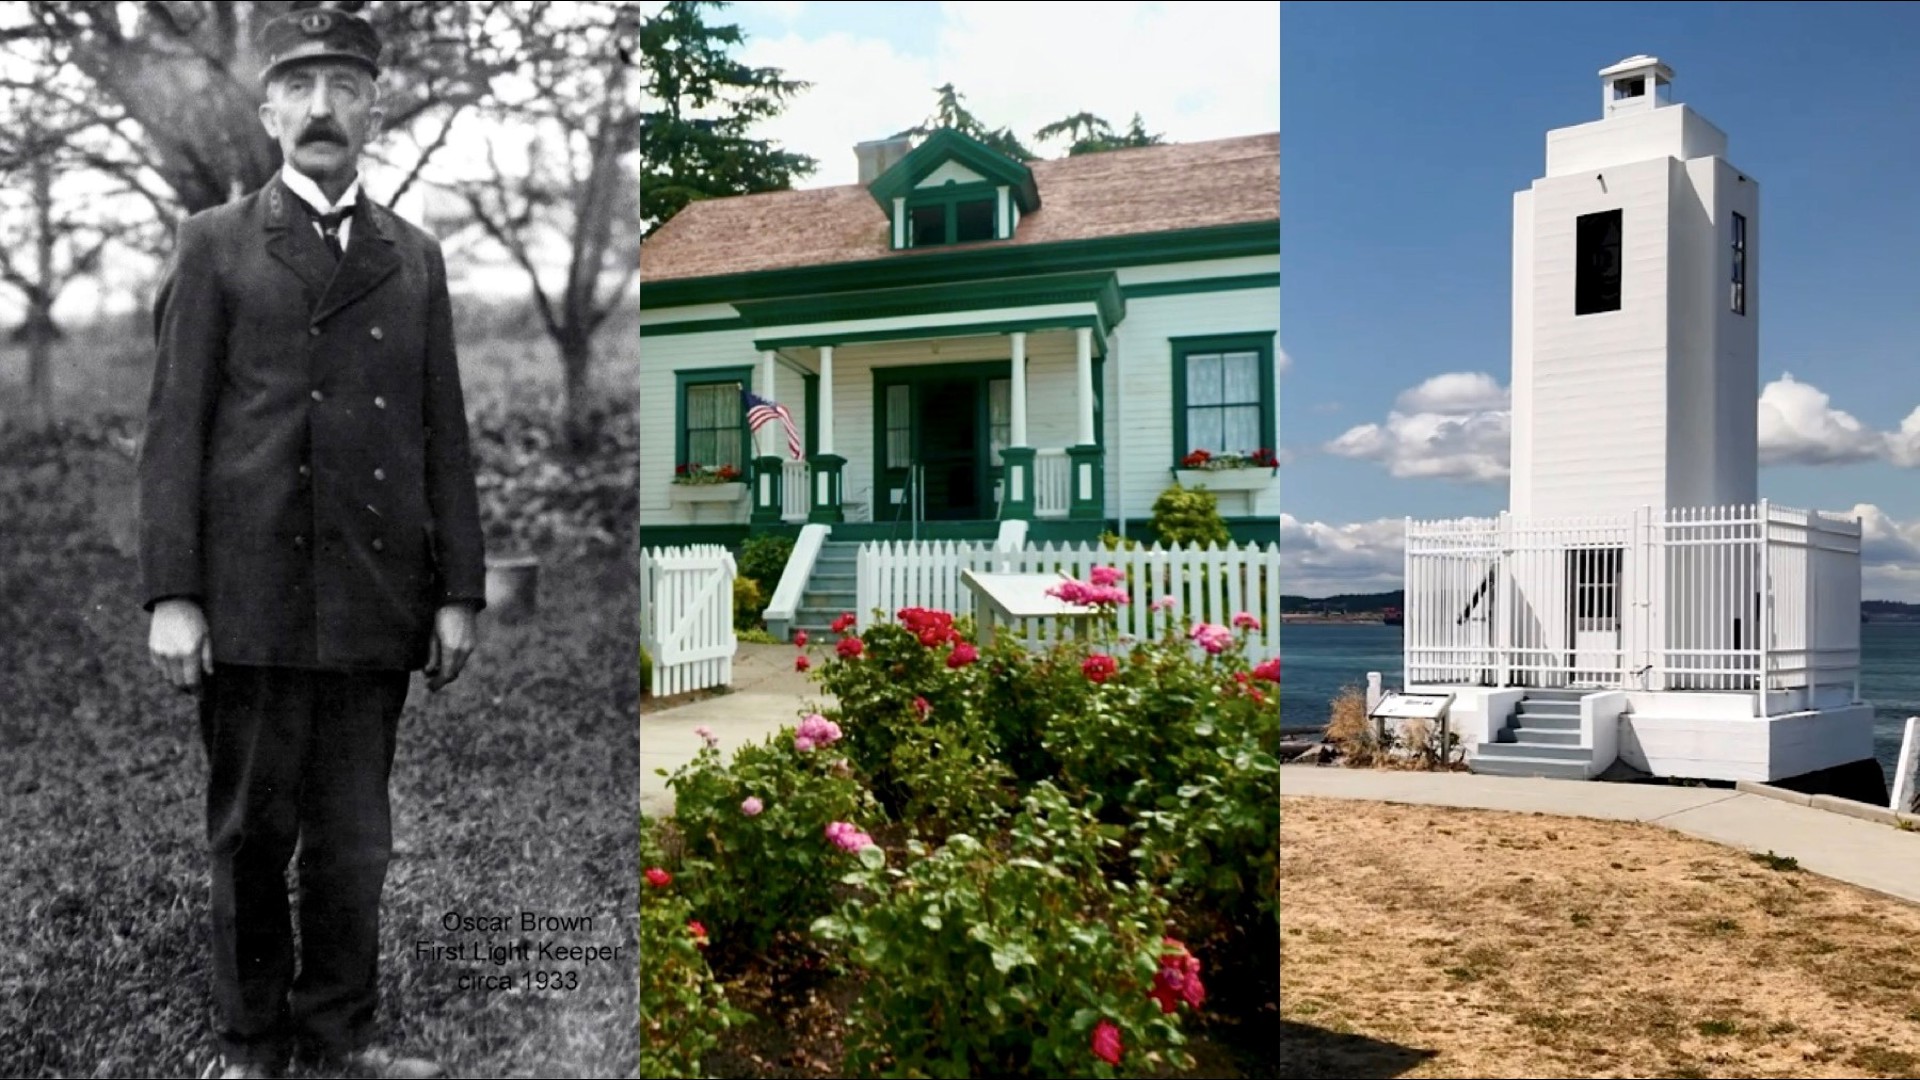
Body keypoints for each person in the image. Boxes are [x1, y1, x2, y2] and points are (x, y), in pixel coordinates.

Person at [138, 7, 484, 1078]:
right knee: (250, 833)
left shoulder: (413, 260)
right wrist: (173, 594)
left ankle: (337, 1035)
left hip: (374, 598)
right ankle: (251, 1047)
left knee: (355, 840)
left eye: (346, 86)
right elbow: (173, 432)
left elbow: (444, 437)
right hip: (251, 597)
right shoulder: (215, 242)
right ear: (269, 111)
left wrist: (457, 590)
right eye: (301, 87)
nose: (325, 107)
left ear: (377, 110)